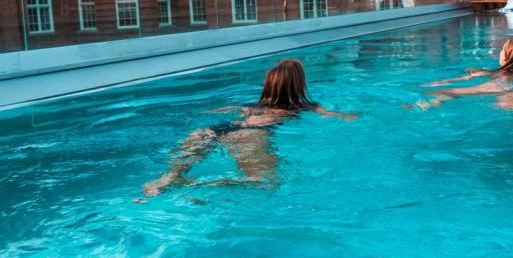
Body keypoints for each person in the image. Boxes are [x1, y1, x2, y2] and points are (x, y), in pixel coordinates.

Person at [143, 58, 356, 196]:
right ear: (299, 85)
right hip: (250, 135)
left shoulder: (249, 105)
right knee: (266, 184)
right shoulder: (305, 106)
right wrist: (352, 116)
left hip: (215, 129)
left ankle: (163, 181)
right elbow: (338, 116)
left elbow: (222, 110)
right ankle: (190, 184)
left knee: (172, 171)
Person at [414, 36, 513, 112]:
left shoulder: (493, 72)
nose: (500, 52)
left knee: (452, 91)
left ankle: (427, 104)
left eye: (502, 50)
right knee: (507, 103)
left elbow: (466, 78)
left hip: (500, 85)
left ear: (506, 57)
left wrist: (439, 82)